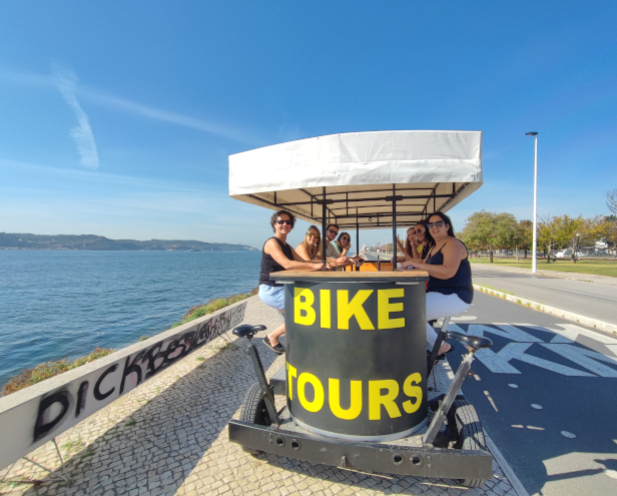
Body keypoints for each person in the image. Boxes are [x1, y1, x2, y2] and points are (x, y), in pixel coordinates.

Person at [401, 212, 473, 357]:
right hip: (439, 292)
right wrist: (407, 262)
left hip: (455, 295)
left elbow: (448, 272)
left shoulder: (453, 244)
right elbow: (424, 262)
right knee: (404, 309)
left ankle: (439, 346)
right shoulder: (436, 246)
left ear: (447, 226)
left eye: (438, 224)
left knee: (408, 313)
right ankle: (425, 347)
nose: (434, 228)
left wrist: (419, 266)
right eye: (431, 225)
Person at [259, 211, 325, 353]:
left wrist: (330, 262)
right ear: (274, 224)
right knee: (304, 311)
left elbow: (303, 262)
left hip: (282, 288)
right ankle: (272, 337)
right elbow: (288, 264)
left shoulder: (286, 246)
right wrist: (314, 266)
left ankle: (295, 349)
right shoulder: (272, 243)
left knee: (293, 320)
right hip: (271, 289)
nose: (285, 224)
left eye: (288, 222)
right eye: (281, 221)